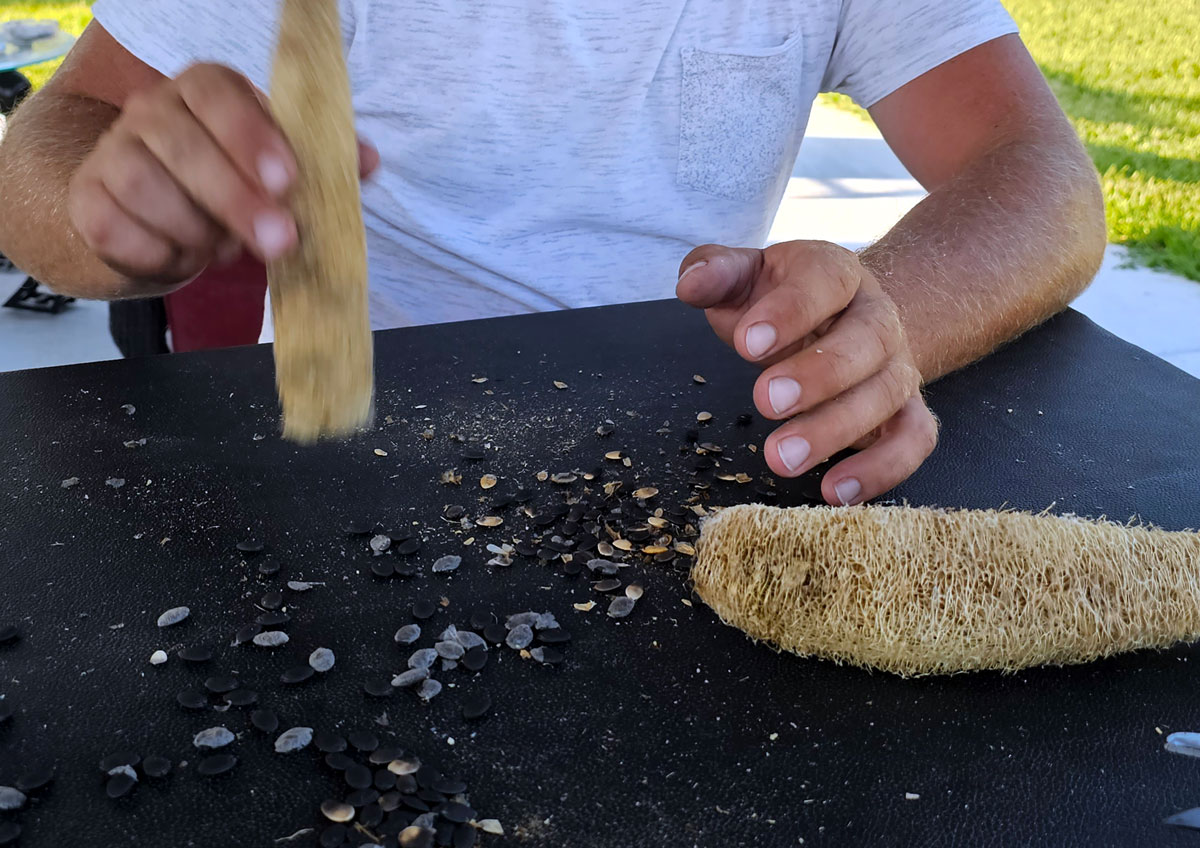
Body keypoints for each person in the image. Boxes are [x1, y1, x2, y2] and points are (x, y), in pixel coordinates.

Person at [0, 1, 1106, 505]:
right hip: (366, 472)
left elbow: (1043, 179)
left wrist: (884, 323)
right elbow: (47, 151)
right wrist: (107, 212)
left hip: (715, 459)